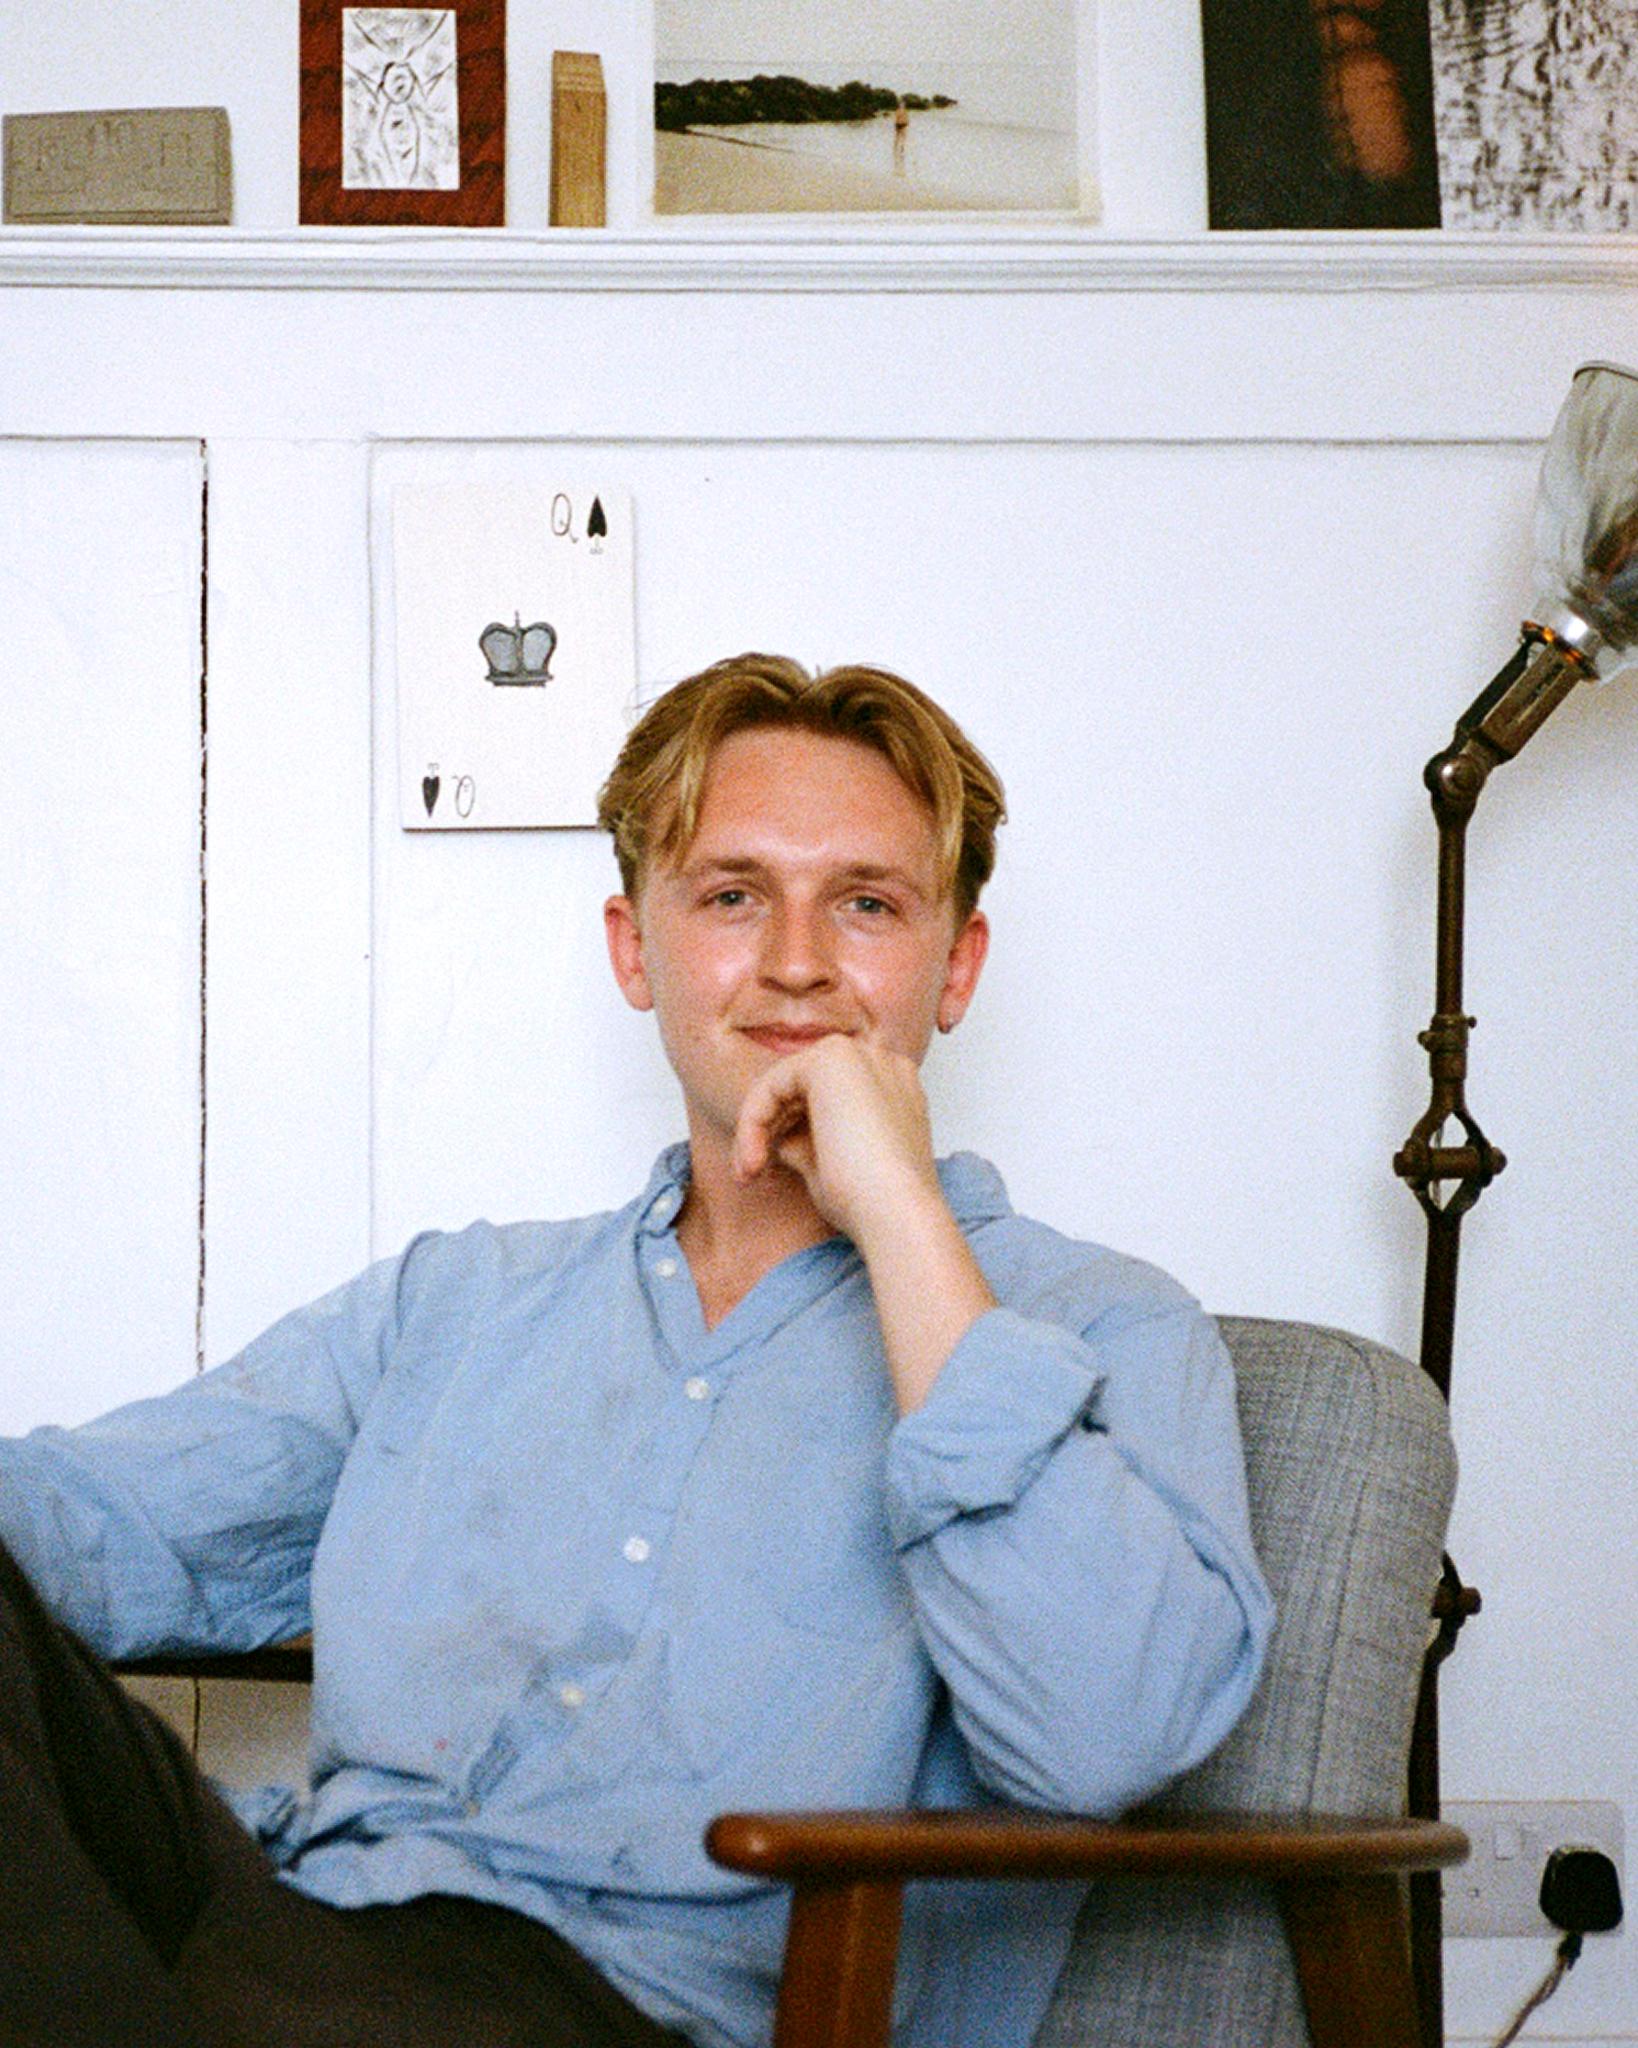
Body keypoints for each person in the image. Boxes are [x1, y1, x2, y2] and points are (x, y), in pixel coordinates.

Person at [0, 654, 1273, 2048]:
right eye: (732, 897)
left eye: (866, 904)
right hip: (288, 1920)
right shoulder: (460, 1301)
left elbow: (1109, 1732)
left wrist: (899, 1213)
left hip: (622, 2010)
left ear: (955, 966)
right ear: (635, 948)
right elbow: (91, 1524)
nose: (795, 960)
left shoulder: (1101, 1325)